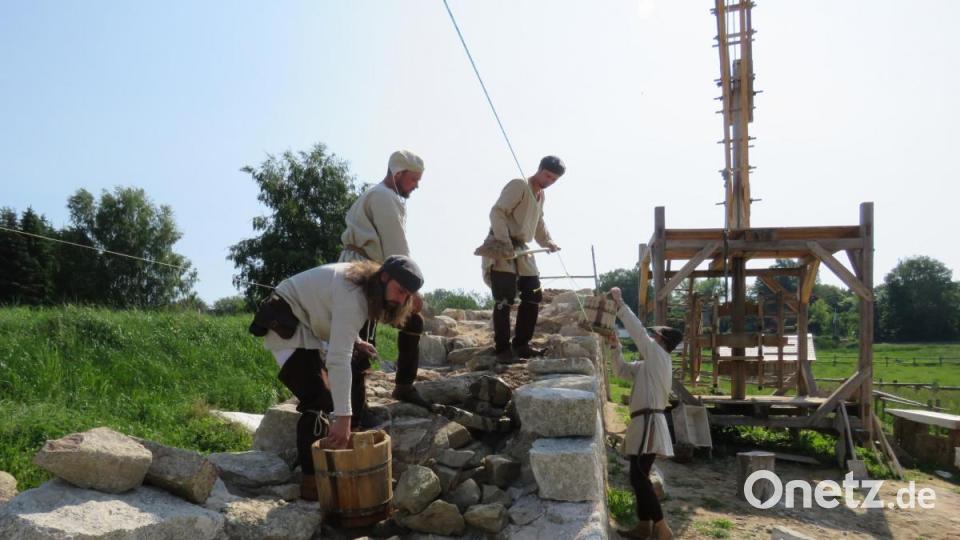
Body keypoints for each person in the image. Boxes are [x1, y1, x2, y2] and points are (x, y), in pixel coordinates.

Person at [249, 255, 424, 500]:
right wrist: (343, 417)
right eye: (400, 290)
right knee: (318, 399)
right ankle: (312, 483)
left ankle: (331, 456)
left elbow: (332, 313)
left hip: (308, 323)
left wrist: (356, 341)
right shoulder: (354, 293)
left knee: (339, 381)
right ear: (384, 277)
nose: (401, 299)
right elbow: (337, 359)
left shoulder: (368, 289)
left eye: (407, 296)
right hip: (285, 321)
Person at [339, 150, 430, 420]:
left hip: (378, 270)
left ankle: (403, 386)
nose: (416, 185)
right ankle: (355, 412)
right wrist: (412, 290)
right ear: (398, 174)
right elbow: (396, 247)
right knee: (360, 338)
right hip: (363, 270)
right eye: (413, 179)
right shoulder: (382, 196)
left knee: (412, 322)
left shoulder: (386, 196)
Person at [606, 286, 679, 540]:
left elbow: (638, 333)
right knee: (638, 476)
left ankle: (661, 527)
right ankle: (645, 525)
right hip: (644, 423)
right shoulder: (649, 364)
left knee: (639, 476)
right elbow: (622, 372)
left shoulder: (659, 357)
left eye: (655, 337)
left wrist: (620, 305)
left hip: (650, 422)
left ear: (661, 342)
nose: (652, 338)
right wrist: (615, 347)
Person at [478, 156, 564, 363]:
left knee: (533, 293)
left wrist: (548, 242)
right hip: (501, 244)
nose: (549, 181)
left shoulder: (541, 196)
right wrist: (504, 241)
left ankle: (522, 344)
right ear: (540, 169)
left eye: (553, 179)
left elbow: (539, 222)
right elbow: (497, 212)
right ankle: (502, 349)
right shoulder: (519, 185)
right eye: (547, 176)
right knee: (504, 298)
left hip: (522, 249)